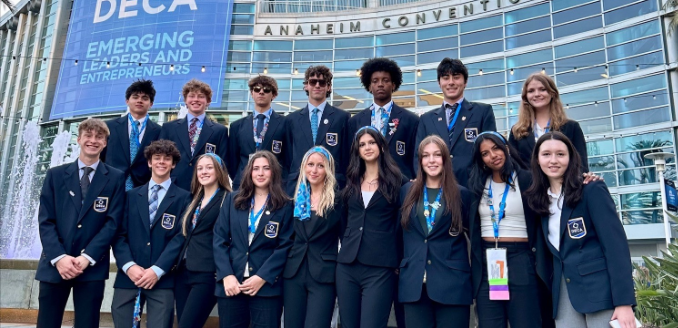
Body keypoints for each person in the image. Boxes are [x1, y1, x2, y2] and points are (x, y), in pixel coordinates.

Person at [525, 131, 636, 328]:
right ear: (537, 159)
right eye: (546, 154)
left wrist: (624, 302)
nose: (553, 160)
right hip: (563, 294)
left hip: (600, 291)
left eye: (560, 154)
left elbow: (616, 248)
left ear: (571, 158)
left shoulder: (591, 190)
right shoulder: (538, 200)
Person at [35, 118, 125, 328]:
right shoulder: (55, 175)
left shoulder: (115, 178)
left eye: (99, 137)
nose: (93, 140)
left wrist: (87, 257)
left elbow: (112, 223)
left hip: (91, 267)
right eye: (88, 136)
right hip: (55, 264)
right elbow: (45, 221)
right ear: (79, 139)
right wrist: (59, 258)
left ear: (105, 143)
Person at [467, 131, 547, 328]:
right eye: (485, 153)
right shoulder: (477, 185)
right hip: (489, 262)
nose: (492, 155)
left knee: (525, 322)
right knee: (490, 323)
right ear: (481, 160)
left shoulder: (529, 179)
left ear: (507, 149)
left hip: (520, 258)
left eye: (496, 148)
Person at [111, 140, 190, 328]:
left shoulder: (184, 198)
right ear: (149, 162)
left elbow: (181, 238)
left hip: (162, 279)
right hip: (129, 277)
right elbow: (119, 235)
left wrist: (157, 270)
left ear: (173, 164)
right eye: (157, 158)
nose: (161, 162)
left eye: (166, 158)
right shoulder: (130, 196)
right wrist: (129, 266)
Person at [398, 135, 473, 328]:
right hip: (414, 286)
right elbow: (398, 234)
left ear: (445, 159)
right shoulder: (406, 191)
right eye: (426, 155)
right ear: (420, 160)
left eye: (437, 155)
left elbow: (473, 237)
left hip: (452, 285)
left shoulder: (461, 194)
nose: (431, 160)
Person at [213, 151, 294, 328]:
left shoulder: (285, 205)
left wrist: (262, 277)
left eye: (266, 168)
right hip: (232, 285)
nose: (260, 173)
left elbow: (285, 246)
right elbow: (219, 238)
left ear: (274, 172)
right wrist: (226, 275)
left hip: (266, 288)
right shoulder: (233, 200)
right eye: (256, 168)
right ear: (249, 172)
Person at [336, 126, 404, 328]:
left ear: (382, 147)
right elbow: (343, 221)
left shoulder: (398, 182)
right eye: (362, 144)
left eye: (372, 142)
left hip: (380, 267)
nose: (367, 147)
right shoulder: (350, 182)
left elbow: (400, 224)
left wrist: (397, 259)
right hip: (347, 266)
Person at [284, 146, 342, 328]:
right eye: (310, 164)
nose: (314, 170)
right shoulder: (293, 198)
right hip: (294, 272)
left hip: (323, 274)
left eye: (320, 166)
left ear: (328, 170)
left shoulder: (338, 200)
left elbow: (346, 236)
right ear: (303, 167)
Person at [415, 58, 497, 187]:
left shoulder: (483, 112)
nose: (451, 82)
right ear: (439, 83)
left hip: (475, 188)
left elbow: (491, 151)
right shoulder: (426, 119)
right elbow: (418, 156)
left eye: (456, 77)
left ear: (465, 82)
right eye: (446, 78)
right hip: (438, 188)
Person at [172, 153, 231, 328]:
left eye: (209, 167)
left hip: (207, 272)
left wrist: (224, 269)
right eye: (200, 168)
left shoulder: (228, 199)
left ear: (219, 171)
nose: (203, 172)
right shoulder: (193, 199)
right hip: (183, 272)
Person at [347, 57, 419, 180]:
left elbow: (414, 156)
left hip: (400, 184)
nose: (380, 84)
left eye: (385, 80)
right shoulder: (355, 121)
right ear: (369, 86)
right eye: (375, 81)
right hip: (365, 184)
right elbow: (351, 158)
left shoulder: (411, 120)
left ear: (393, 85)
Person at [285, 65, 350, 196]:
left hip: (332, 187)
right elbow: (287, 157)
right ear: (306, 86)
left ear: (329, 87)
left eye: (322, 82)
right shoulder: (291, 119)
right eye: (313, 82)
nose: (317, 85)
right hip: (298, 186)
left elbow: (347, 156)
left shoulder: (342, 118)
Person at [509, 73, 588, 172]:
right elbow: (514, 167)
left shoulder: (571, 127)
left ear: (552, 93)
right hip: (530, 186)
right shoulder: (517, 131)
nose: (537, 94)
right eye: (531, 91)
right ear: (526, 97)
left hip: (564, 186)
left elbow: (581, 166)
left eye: (543, 89)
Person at [159, 79, 229, 191]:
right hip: (173, 188)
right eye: (191, 96)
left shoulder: (220, 131)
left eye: (201, 96)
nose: (196, 100)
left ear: (208, 101)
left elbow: (223, 164)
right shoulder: (169, 128)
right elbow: (160, 159)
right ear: (186, 100)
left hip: (206, 188)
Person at [228, 76, 288, 190]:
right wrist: (242, 176)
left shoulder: (285, 123)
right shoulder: (236, 126)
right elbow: (232, 160)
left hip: (275, 185)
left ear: (273, 95)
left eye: (266, 90)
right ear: (252, 93)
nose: (261, 92)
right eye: (257, 89)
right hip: (243, 185)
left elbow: (288, 158)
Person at [101, 79, 162, 190]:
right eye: (135, 97)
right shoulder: (109, 127)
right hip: (111, 186)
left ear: (151, 104)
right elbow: (100, 157)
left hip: (143, 188)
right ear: (127, 101)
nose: (139, 101)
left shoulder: (158, 131)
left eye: (145, 98)